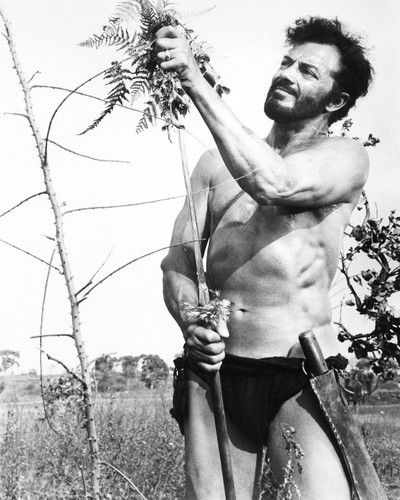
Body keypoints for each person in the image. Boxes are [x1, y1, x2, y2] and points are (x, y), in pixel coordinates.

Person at [157, 17, 373, 500]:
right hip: (215, 373)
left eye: (307, 71)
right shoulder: (214, 165)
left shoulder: (344, 157)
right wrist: (191, 321)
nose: (286, 74)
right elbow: (177, 263)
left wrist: (193, 79)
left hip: (298, 374)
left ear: (335, 101)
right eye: (286, 62)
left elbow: (276, 184)